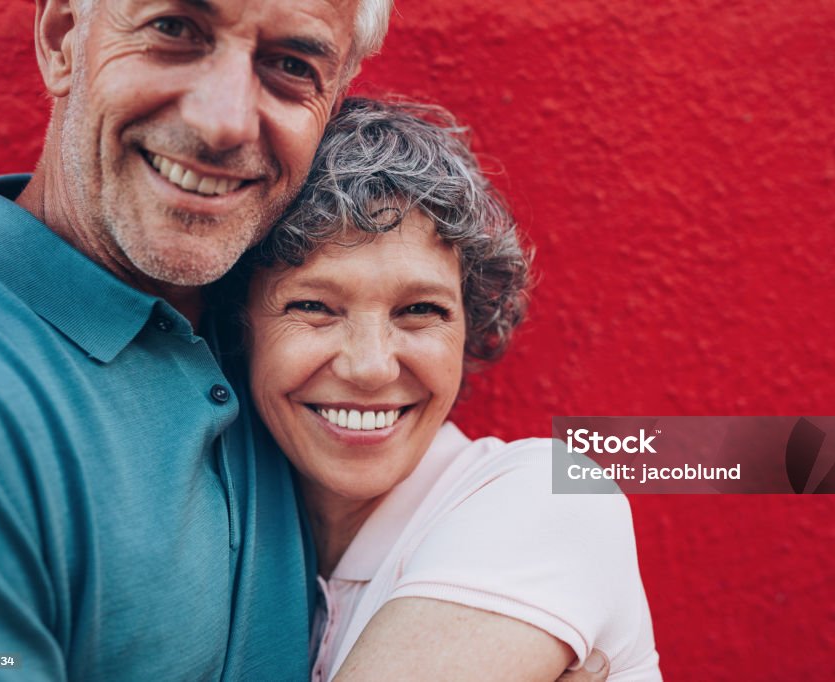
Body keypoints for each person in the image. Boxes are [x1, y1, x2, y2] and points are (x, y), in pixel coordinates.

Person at [0, 0, 392, 678]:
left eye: (292, 65)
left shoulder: (278, 342)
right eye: (174, 30)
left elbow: (552, 487)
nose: (224, 122)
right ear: (63, 38)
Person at [241, 97, 662, 681]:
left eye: (419, 310)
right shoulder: (243, 552)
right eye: (313, 306)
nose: (371, 367)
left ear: (470, 325)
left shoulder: (548, 500)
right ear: (239, 330)